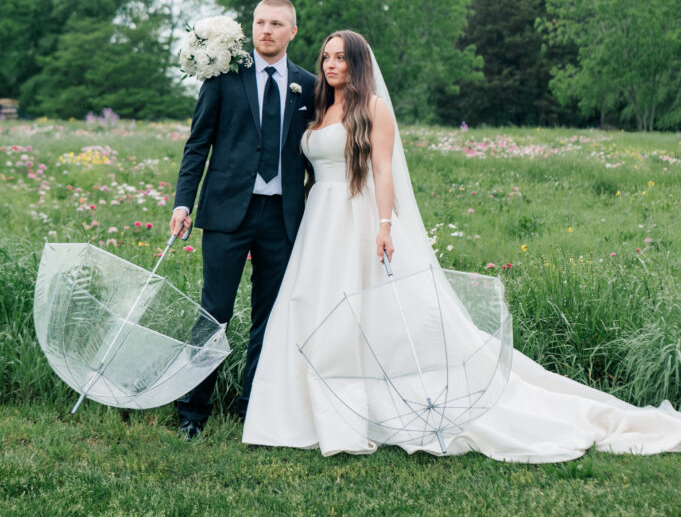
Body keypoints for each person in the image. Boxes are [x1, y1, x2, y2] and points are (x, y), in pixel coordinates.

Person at [242, 30, 681, 460]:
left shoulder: (373, 109)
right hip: (320, 223)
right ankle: (302, 413)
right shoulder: (318, 107)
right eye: (326, 57)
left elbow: (383, 169)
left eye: (340, 57)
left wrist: (383, 225)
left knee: (363, 311)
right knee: (311, 305)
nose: (330, 64)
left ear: (356, 64)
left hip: (357, 217)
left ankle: (371, 408)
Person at [171, 0, 316, 438]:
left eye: (276, 24)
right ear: (251, 28)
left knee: (270, 318)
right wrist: (183, 202)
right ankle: (192, 412)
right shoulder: (224, 76)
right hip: (227, 213)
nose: (266, 30)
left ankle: (253, 405)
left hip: (284, 217)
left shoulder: (309, 86)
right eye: (259, 22)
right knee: (214, 312)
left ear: (292, 31)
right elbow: (198, 144)